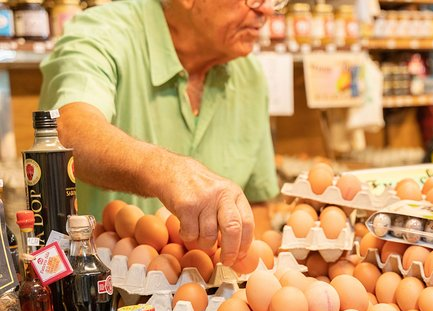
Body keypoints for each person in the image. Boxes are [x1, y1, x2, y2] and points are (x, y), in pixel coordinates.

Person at [38, 0, 280, 266]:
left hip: (211, 299)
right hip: (98, 294)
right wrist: (166, 170)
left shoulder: (249, 75)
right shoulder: (104, 32)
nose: (266, 10)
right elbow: (68, 131)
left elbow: (256, 204)